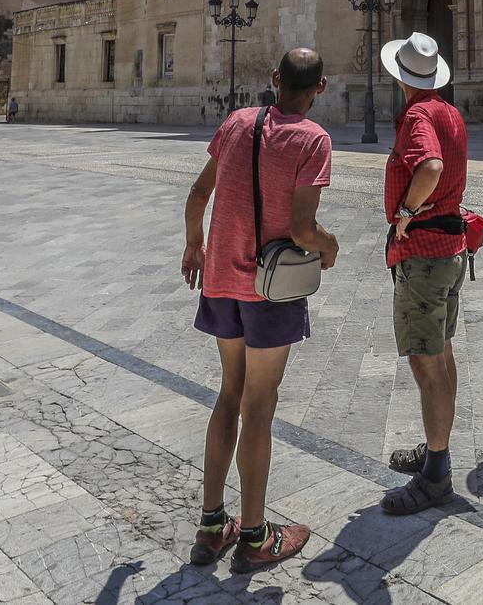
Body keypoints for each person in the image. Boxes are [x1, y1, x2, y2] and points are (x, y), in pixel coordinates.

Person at [180, 48, 339, 572]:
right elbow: (301, 230)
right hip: (270, 291)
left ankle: (210, 525)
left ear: (274, 80)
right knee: (260, 407)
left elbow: (199, 193)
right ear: (319, 88)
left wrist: (193, 246)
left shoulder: (236, 123)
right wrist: (330, 246)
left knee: (228, 396)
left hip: (221, 279)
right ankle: (254, 536)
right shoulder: (312, 139)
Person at [379, 31, 468, 515]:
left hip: (426, 253)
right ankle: (437, 453)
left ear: (398, 75)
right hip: (450, 249)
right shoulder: (450, 112)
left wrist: (405, 213)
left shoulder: (417, 115)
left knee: (425, 361)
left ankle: (436, 475)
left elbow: (430, 165)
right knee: (442, 354)